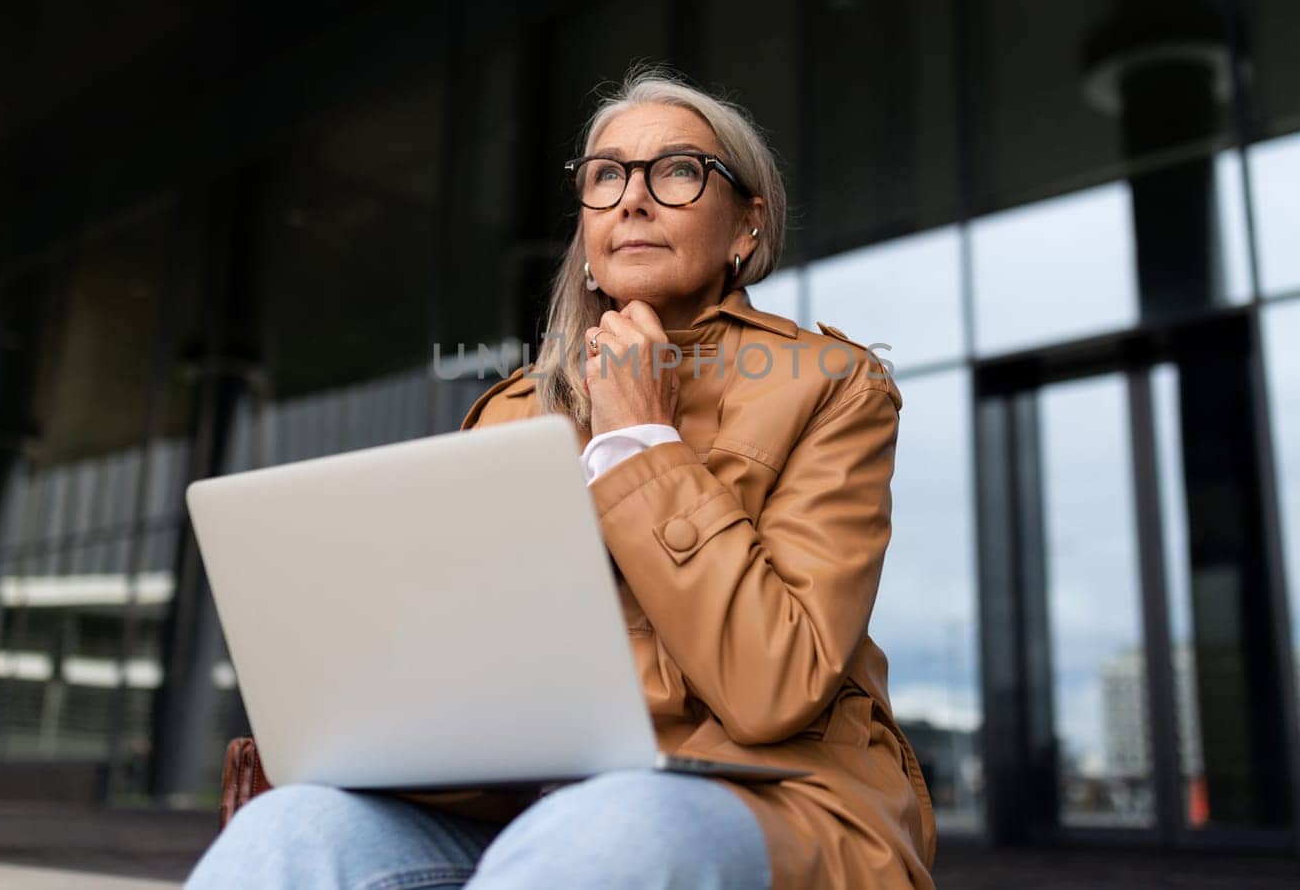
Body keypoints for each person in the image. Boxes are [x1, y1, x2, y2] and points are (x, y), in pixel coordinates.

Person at [186, 66, 937, 888]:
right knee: (292, 829)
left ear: (746, 229)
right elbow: (464, 676)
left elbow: (772, 685)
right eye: (606, 175)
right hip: (518, 805)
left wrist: (645, 443)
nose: (632, 200)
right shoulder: (508, 409)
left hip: (772, 797)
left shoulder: (833, 383)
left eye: (678, 171)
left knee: (606, 829)